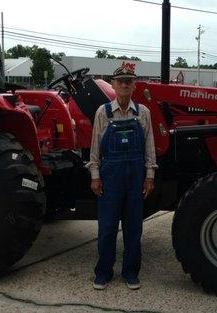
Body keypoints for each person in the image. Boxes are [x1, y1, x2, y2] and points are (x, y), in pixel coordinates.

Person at [86, 66, 157, 291]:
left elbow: (150, 147)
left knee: (133, 228)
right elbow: (95, 147)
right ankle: (103, 272)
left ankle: (130, 272)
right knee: (107, 227)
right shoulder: (103, 112)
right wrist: (95, 176)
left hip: (135, 177)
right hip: (111, 177)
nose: (125, 85)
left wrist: (149, 175)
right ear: (113, 85)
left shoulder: (143, 112)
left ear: (135, 86)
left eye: (129, 81)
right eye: (121, 81)